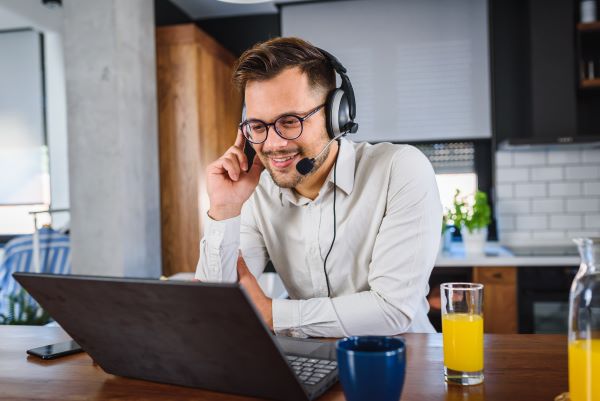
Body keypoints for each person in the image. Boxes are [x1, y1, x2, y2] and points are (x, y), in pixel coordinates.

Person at [195, 37, 442, 338]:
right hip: (308, 365)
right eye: (258, 126)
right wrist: (224, 209)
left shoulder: (400, 170)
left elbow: (392, 310)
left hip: (405, 363)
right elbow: (212, 308)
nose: (273, 145)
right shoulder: (256, 193)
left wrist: (274, 314)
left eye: (289, 121)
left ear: (335, 116)